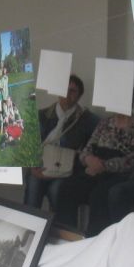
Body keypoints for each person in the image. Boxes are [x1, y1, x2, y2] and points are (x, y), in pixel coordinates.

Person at [56, 107, 134, 236]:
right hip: (95, 167)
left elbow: (133, 160)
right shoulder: (105, 123)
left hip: (119, 173)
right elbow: (87, 149)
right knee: (68, 187)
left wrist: (104, 166)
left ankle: (95, 239)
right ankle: (68, 236)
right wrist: (88, 159)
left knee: (99, 195)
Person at [24, 74, 97, 212]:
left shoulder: (87, 120)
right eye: (64, 89)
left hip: (67, 171)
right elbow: (30, 145)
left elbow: (89, 149)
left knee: (57, 190)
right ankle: (30, 222)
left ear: (79, 96)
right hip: (41, 167)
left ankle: (58, 225)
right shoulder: (42, 115)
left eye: (72, 91)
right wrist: (33, 166)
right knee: (34, 183)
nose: (67, 94)